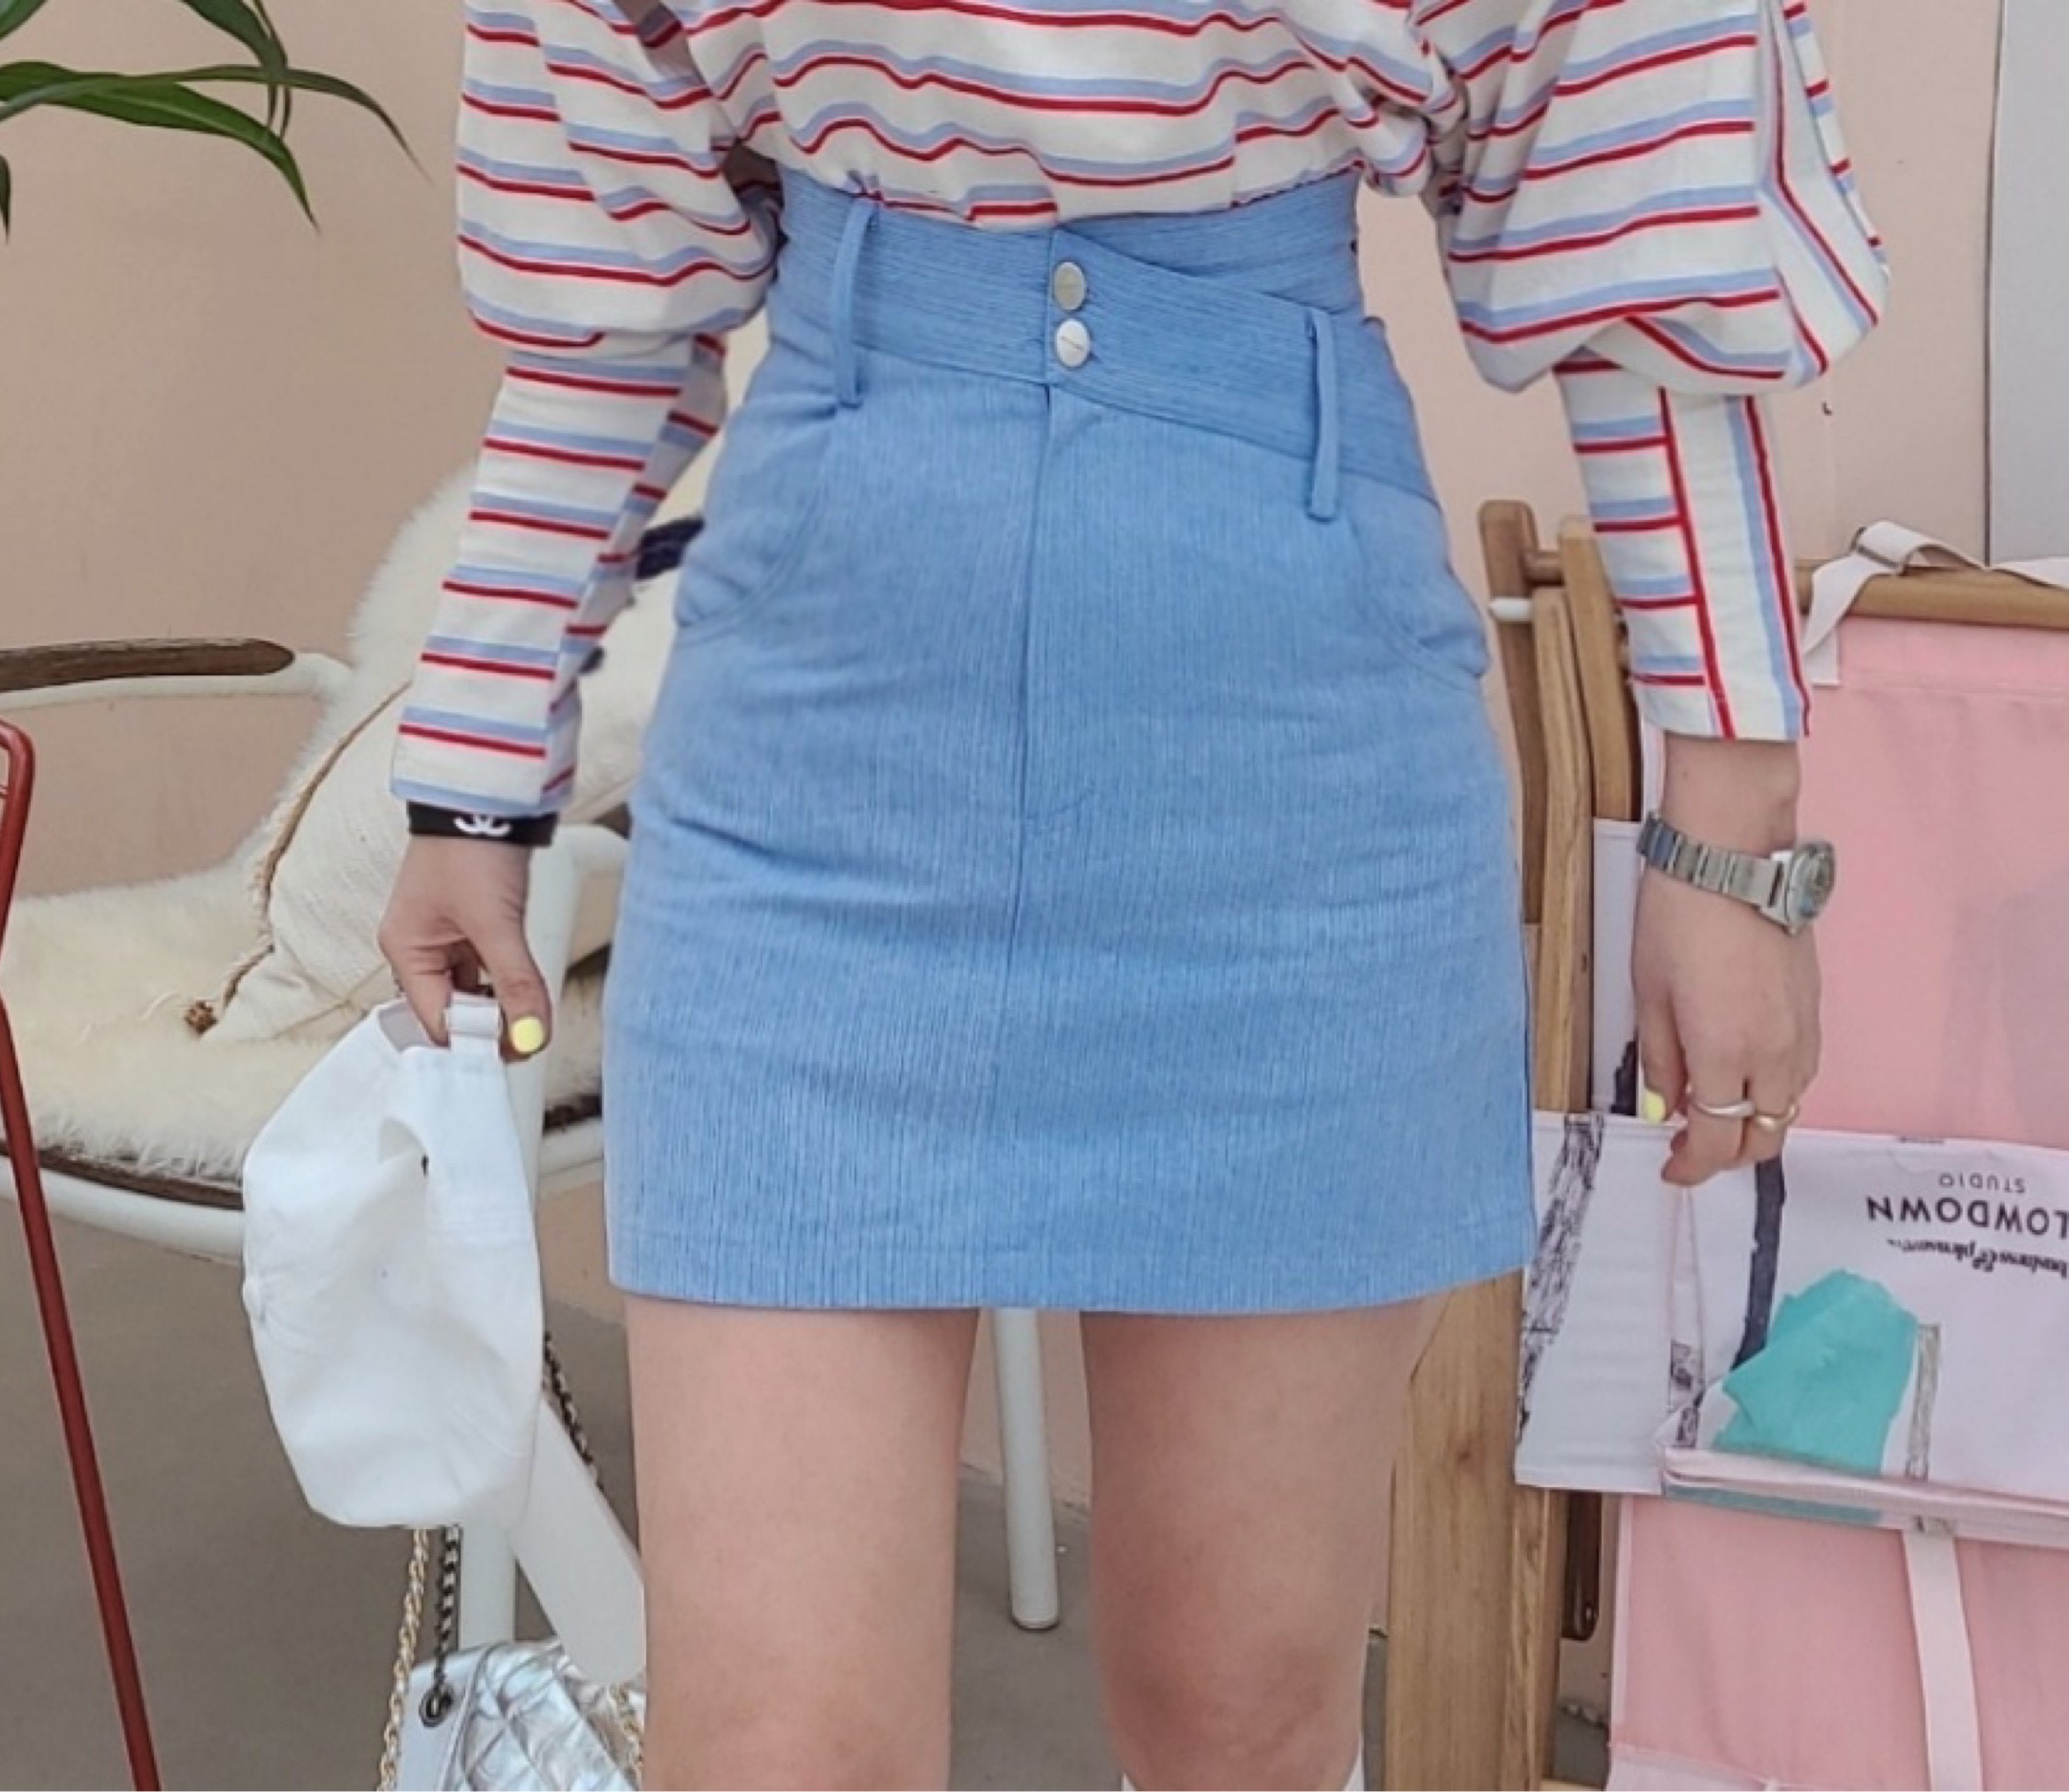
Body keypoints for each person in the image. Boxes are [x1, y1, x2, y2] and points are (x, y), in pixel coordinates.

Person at [378, 1, 1884, 1783]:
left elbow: (1627, 168)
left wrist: (1733, 834)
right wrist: (475, 763)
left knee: (1237, 1714)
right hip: (819, 756)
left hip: (1288, 760)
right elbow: (606, 261)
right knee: (775, 1749)